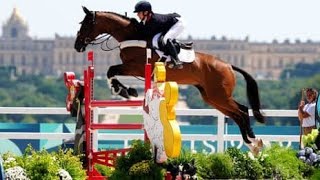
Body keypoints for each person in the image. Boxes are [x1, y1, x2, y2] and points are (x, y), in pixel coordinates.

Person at [134, 1, 184, 68]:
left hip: (178, 23)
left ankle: (176, 60)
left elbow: (145, 33)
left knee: (166, 39)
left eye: (139, 12)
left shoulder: (155, 21)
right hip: (167, 25)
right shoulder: (147, 20)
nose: (137, 15)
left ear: (145, 12)